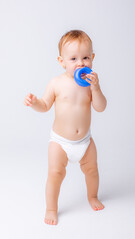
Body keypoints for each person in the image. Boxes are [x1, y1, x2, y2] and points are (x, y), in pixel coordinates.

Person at [24, 30, 107, 225]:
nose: (80, 63)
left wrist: (96, 88)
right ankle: (51, 208)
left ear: (92, 58)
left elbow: (101, 107)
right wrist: (35, 102)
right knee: (55, 174)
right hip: (60, 143)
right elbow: (45, 105)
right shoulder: (57, 83)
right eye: (73, 59)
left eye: (86, 57)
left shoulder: (90, 84)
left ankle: (92, 196)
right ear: (62, 61)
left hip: (85, 142)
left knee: (92, 170)